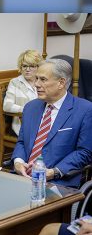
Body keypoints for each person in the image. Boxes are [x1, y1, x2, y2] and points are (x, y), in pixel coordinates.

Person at [12, 59, 92, 188]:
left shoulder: (85, 110)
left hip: (58, 182)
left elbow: (84, 152)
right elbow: (22, 141)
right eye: (36, 78)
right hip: (23, 179)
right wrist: (18, 162)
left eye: (43, 79)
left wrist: (53, 172)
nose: (36, 84)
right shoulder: (30, 107)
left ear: (61, 83)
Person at [3, 50, 43, 136]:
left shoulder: (42, 81)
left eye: (31, 66)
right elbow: (7, 106)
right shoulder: (15, 82)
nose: (27, 69)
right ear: (20, 67)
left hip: (42, 124)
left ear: (38, 67)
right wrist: (28, 110)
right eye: (24, 66)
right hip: (22, 126)